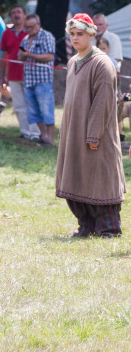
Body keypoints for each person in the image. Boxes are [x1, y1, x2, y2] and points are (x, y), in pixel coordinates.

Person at [56, 13, 127, 238]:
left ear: (91, 35)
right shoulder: (73, 61)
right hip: (73, 132)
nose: (75, 38)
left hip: (96, 134)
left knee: (100, 178)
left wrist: (93, 134)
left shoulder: (102, 63)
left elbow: (103, 103)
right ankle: (86, 225)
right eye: (72, 34)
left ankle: (108, 228)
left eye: (80, 34)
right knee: (76, 177)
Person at [0, 5, 37, 141]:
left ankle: (35, 133)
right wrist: (3, 75)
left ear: (24, 15)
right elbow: (4, 55)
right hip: (13, 75)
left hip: (30, 74)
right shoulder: (7, 33)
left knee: (31, 103)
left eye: (19, 12)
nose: (16, 15)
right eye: (13, 12)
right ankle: (25, 132)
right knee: (19, 104)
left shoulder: (31, 32)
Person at [19, 13, 56, 145]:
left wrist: (31, 55)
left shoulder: (47, 36)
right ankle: (43, 136)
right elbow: (20, 58)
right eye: (27, 27)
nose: (29, 29)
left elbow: (49, 57)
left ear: (38, 24)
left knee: (47, 110)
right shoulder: (24, 39)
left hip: (43, 80)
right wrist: (23, 55)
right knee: (33, 111)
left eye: (32, 26)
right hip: (28, 80)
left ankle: (51, 138)